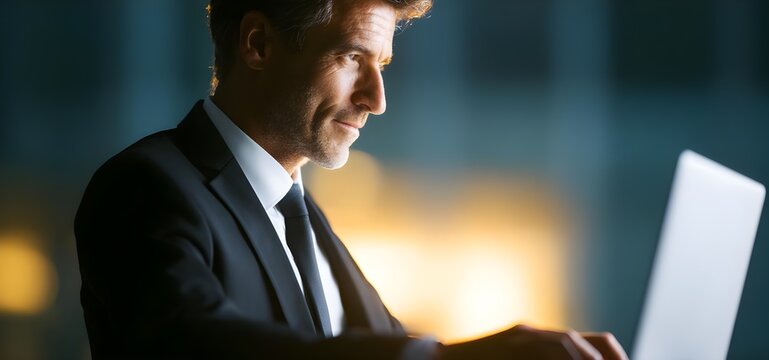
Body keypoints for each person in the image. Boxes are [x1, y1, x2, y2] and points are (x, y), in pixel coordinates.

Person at [75, 0, 628, 359]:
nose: (375, 100)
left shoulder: (305, 220)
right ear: (258, 44)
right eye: (350, 57)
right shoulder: (144, 187)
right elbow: (195, 346)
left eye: (380, 66)